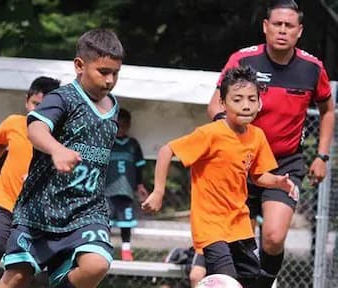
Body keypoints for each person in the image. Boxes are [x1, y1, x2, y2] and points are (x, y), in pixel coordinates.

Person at [207, 1, 335, 287]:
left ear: (299, 31)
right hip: (241, 163)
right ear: (265, 27)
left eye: (289, 26)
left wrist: (322, 156)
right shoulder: (243, 60)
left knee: (274, 238)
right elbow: (216, 101)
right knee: (240, 241)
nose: (282, 30)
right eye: (277, 24)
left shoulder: (312, 68)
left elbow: (328, 111)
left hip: (284, 164)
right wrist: (224, 128)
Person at [142, 66, 298, 288]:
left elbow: (258, 176)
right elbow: (167, 150)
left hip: (240, 223)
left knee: (252, 280)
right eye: (237, 99)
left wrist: (278, 182)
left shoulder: (257, 136)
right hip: (210, 225)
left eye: (252, 99)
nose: (246, 105)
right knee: (225, 281)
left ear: (259, 103)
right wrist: (158, 192)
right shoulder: (210, 134)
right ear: (223, 103)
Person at [0, 28, 124, 288]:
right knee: (17, 278)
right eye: (103, 72)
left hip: (87, 212)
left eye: (115, 73)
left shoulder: (114, 107)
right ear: (79, 65)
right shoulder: (62, 98)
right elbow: (35, 127)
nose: (110, 80)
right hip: (39, 212)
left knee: (97, 264)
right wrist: (56, 149)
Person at [0, 76, 61, 288]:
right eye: (35, 105)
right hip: (6, 201)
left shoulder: (58, 136)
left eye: (45, 107)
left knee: (27, 264)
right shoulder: (14, 123)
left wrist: (39, 178)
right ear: (26, 101)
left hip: (36, 210)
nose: (38, 110)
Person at [105, 107, 148, 261]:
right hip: (107, 191)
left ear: (129, 125)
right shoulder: (107, 142)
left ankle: (126, 250)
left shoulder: (133, 144)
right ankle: (104, 249)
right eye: (118, 125)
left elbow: (139, 167)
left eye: (124, 125)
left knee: (126, 222)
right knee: (105, 222)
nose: (120, 129)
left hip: (127, 191)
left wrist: (140, 186)